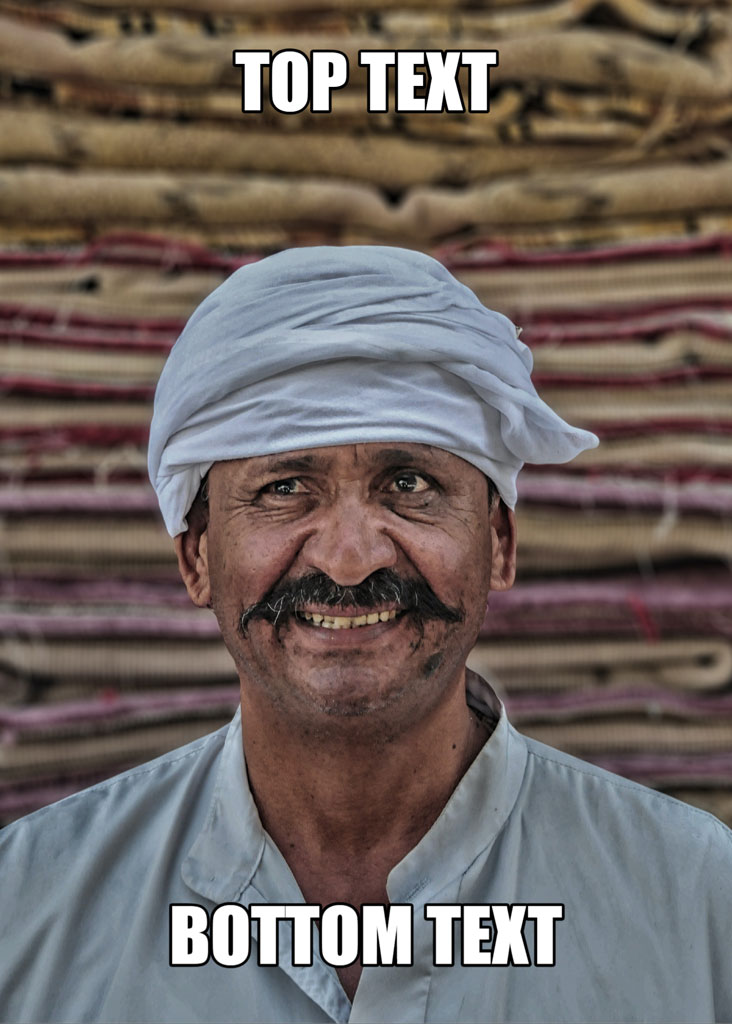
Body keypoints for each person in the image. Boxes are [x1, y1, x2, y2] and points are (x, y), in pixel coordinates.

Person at [1, 247, 730, 1024]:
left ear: (501, 543)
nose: (349, 561)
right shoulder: (26, 909)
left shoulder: (696, 902)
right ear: (196, 559)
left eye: (409, 485)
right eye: (284, 490)